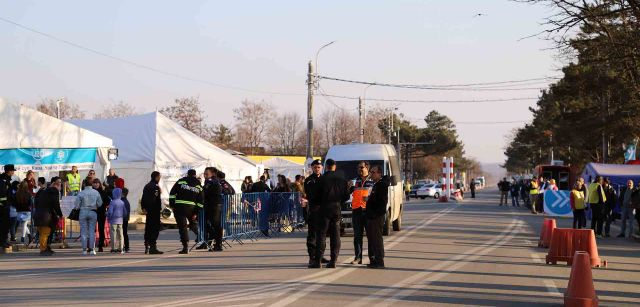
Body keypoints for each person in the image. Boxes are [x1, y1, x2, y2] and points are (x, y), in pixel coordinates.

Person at [313, 159, 349, 269]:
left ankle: (318, 261)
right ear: (335, 166)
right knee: (336, 235)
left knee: (322, 235)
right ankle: (333, 260)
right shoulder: (342, 180)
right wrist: (338, 201)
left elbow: (316, 196)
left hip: (324, 209)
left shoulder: (321, 179)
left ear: (326, 166)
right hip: (337, 208)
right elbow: (346, 196)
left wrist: (320, 203)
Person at [169, 169, 204, 254]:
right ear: (195, 175)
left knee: (182, 227)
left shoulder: (181, 181)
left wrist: (172, 205)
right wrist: (196, 212)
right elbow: (201, 200)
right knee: (192, 223)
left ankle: (185, 247)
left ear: (187, 174)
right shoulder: (198, 185)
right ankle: (201, 237)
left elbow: (172, 193)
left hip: (179, 207)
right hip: (191, 208)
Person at [347, 161, 374, 265]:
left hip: (368, 211)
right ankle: (358, 258)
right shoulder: (355, 180)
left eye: (361, 167)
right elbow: (348, 193)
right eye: (358, 167)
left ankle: (372, 258)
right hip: (356, 211)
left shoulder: (373, 181)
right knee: (357, 236)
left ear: (367, 168)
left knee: (370, 236)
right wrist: (348, 187)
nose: (359, 169)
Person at [365, 165, 389, 269]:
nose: (371, 174)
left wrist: (375, 214)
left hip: (376, 216)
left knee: (377, 239)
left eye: (374, 172)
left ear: (379, 173)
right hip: (372, 216)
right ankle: (374, 260)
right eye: (371, 172)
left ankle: (380, 261)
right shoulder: (376, 184)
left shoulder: (382, 185)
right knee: (372, 239)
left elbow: (382, 203)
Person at [33, 177, 63, 256]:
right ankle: (43, 249)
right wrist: (60, 214)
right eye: (59, 184)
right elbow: (56, 204)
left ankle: (46, 248)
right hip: (45, 216)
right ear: (55, 185)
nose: (60, 187)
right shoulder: (54, 191)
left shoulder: (44, 191)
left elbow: (36, 202)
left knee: (43, 233)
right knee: (45, 233)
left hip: (38, 214)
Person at [75, 178, 103, 255]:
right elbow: (100, 203)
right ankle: (92, 249)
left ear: (84, 184)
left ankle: (84, 249)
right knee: (92, 231)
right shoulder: (96, 192)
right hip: (93, 211)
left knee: (83, 231)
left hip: (83, 212)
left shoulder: (81, 193)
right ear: (92, 184)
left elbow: (76, 205)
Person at [142, 171, 163, 254]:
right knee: (154, 229)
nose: (159, 179)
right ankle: (153, 247)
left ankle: (146, 244)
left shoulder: (146, 186)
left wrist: (143, 207)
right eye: (159, 177)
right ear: (157, 177)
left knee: (148, 228)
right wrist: (158, 208)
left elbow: (143, 198)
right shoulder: (155, 187)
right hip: (154, 210)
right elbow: (156, 199)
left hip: (148, 211)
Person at [203, 167, 223, 252]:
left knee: (216, 225)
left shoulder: (211, 182)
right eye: (204, 173)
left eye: (207, 174)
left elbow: (204, 192)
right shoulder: (213, 181)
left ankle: (218, 244)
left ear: (213, 174)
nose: (205, 175)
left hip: (213, 206)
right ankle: (215, 241)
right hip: (213, 205)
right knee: (210, 224)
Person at [107, 188, 127, 254]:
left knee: (113, 235)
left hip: (113, 221)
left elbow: (110, 212)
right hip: (120, 221)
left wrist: (108, 217)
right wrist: (122, 217)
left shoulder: (112, 202)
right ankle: (120, 248)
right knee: (121, 235)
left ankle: (113, 248)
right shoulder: (122, 202)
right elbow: (125, 212)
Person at [0, 164, 16, 249]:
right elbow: (3, 195)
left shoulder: (6, 180)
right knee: (4, 225)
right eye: (12, 170)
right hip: (3, 207)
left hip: (5, 206)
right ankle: (3, 241)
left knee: (6, 225)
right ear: (8, 171)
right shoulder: (3, 181)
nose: (13, 172)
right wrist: (5, 204)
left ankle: (4, 241)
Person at [93, 179, 110, 252]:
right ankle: (91, 245)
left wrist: (103, 205)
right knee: (92, 229)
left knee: (101, 228)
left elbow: (108, 201)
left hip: (101, 212)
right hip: (93, 212)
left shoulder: (103, 192)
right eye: (94, 183)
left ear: (99, 184)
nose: (96, 184)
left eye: (97, 183)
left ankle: (100, 245)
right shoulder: (91, 192)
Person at [121, 188, 131, 252]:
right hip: (126, 219)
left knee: (123, 233)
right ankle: (126, 246)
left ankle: (125, 246)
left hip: (123, 219)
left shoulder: (123, 202)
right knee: (125, 232)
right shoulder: (126, 201)